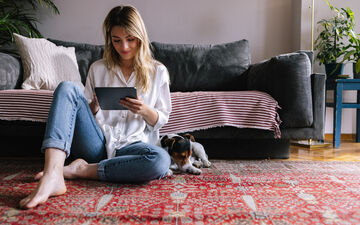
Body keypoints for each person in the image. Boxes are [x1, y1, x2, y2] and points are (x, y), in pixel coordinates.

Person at [19, 5, 172, 209]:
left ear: (140, 37)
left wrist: (143, 110)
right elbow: (81, 116)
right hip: (97, 143)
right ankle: (52, 173)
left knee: (160, 160)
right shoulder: (97, 68)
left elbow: (161, 119)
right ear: (110, 39)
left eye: (130, 39)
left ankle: (80, 170)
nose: (124, 47)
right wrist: (92, 108)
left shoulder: (158, 71)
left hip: (133, 146)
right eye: (116, 40)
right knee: (67, 88)